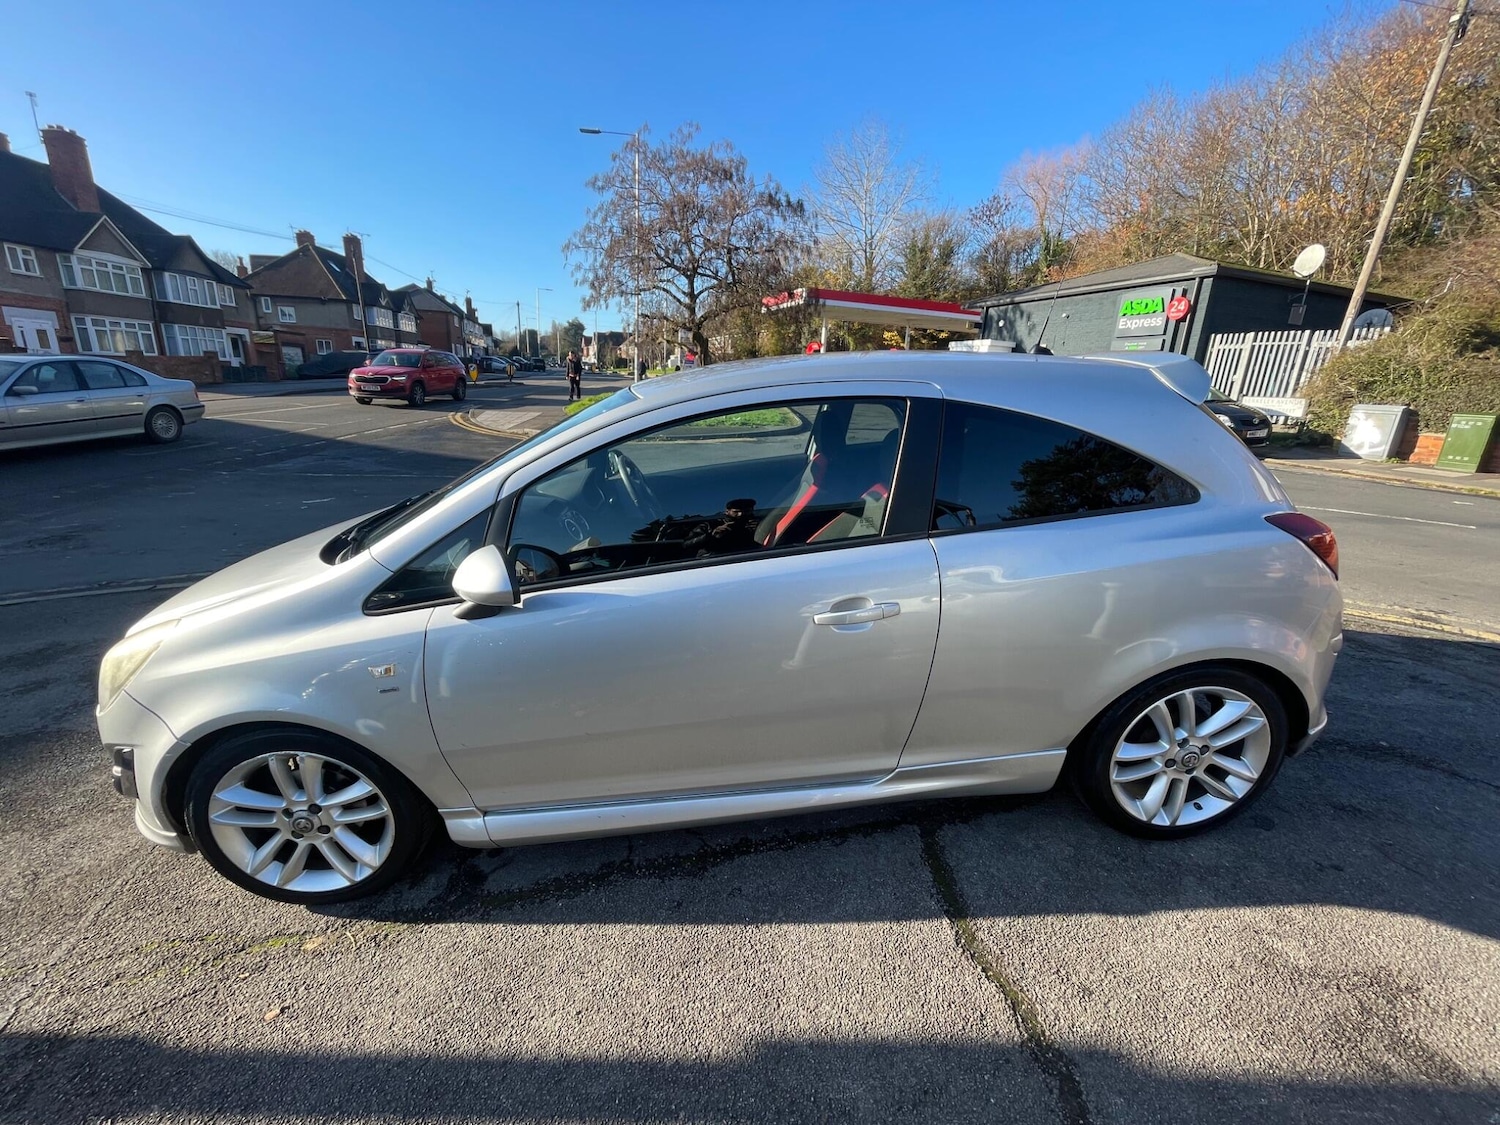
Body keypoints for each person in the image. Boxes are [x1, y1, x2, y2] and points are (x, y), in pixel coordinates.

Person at [684, 498, 759, 557]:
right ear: (727, 512)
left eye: (746, 511)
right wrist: (712, 535)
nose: (740, 514)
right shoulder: (710, 525)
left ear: (752, 510)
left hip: (751, 559)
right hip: (714, 562)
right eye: (736, 512)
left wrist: (758, 530)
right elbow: (687, 544)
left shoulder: (761, 524)